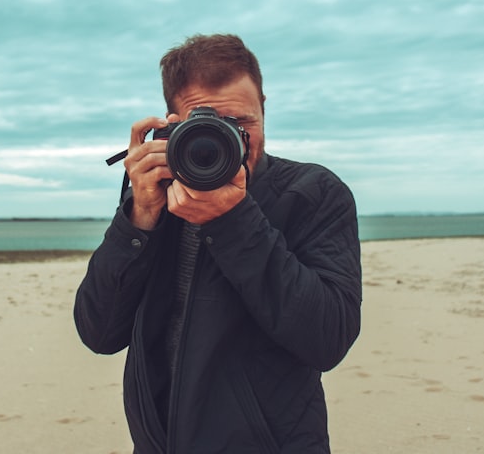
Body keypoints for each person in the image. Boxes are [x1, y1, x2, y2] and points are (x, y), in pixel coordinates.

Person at [74, 34, 361, 453]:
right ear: (172, 124)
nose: (233, 140)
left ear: (264, 107)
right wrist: (138, 220)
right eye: (209, 124)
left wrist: (235, 220)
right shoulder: (156, 196)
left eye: (243, 123)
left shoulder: (314, 194)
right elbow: (99, 333)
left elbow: (327, 339)